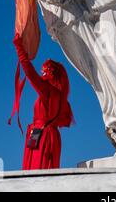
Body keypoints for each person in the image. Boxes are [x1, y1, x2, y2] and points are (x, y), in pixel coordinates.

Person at [13, 33, 74, 170]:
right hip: (51, 137)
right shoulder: (62, 99)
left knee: (36, 173)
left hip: (41, 138)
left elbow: (30, 73)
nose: (42, 74)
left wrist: (19, 48)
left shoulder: (47, 91)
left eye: (44, 71)